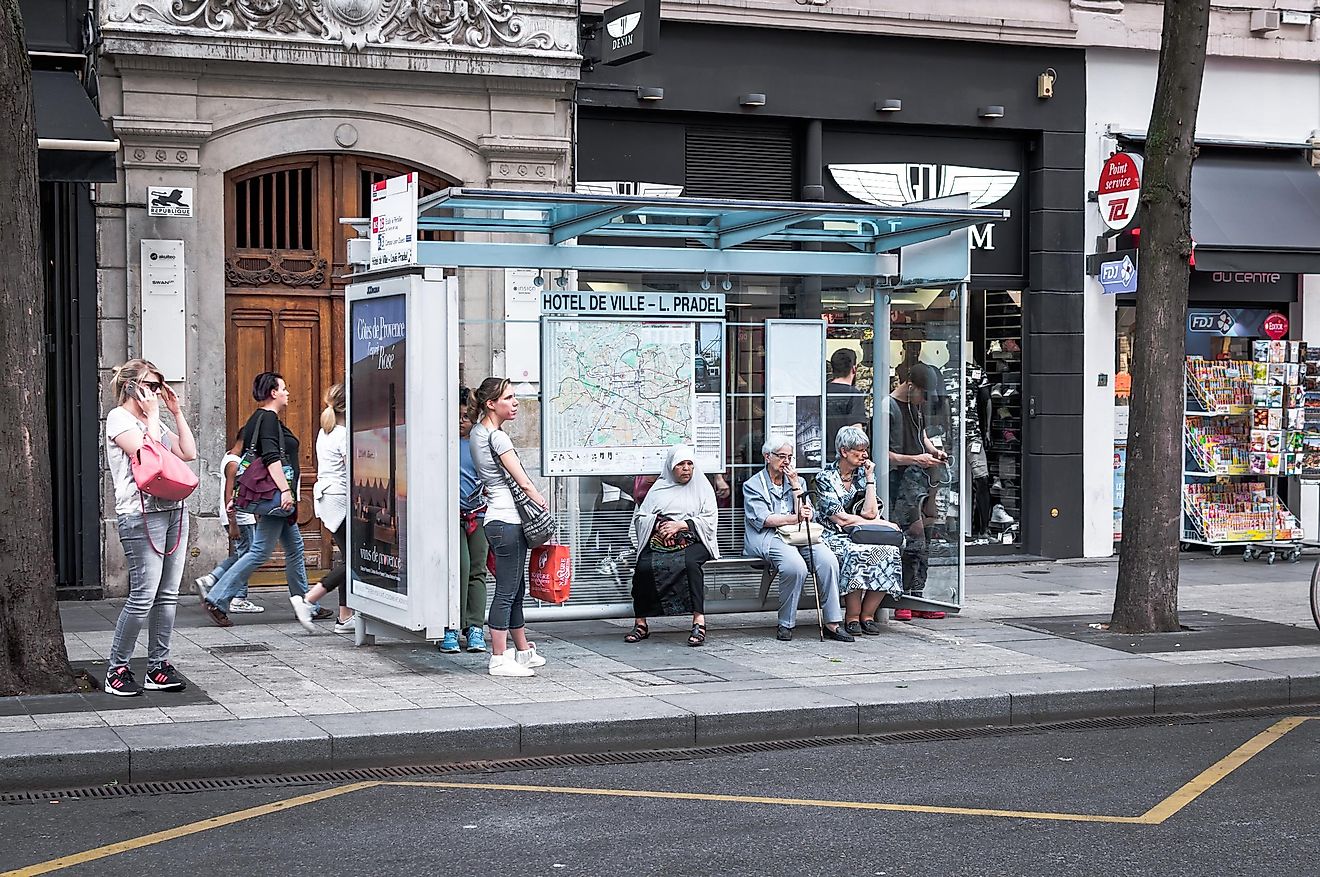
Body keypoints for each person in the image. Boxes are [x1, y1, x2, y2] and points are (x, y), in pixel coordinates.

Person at [103, 359, 198, 696]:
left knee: (168, 595)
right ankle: (117, 669)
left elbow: (188, 452)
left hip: (174, 511)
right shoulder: (119, 419)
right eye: (150, 386)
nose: (156, 393)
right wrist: (154, 417)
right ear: (131, 386)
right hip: (141, 515)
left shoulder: (152, 419)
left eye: (159, 386)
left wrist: (175, 412)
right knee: (143, 595)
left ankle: (158, 666)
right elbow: (149, 455)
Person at [201, 372, 313, 627]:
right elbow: (272, 458)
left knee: (295, 548)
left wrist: (242, 495)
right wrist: (286, 491)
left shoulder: (255, 420)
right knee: (259, 552)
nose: (287, 393)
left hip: (271, 499)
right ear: (273, 392)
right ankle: (217, 598)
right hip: (277, 499)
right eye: (284, 388)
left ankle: (307, 603)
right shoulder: (269, 419)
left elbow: (249, 462)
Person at [469, 377, 549, 677]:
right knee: (506, 590)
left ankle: (523, 650)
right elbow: (522, 479)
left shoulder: (479, 432)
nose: (515, 403)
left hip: (496, 517)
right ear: (491, 404)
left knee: (515, 587)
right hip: (508, 520)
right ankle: (499, 658)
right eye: (509, 398)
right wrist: (540, 499)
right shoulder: (498, 438)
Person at [743, 438, 853, 643]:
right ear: (768, 457)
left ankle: (832, 622)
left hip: (799, 533)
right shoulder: (753, 485)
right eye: (781, 456)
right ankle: (786, 623)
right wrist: (796, 517)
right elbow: (765, 519)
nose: (786, 461)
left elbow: (806, 513)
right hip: (768, 535)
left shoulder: (799, 482)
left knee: (828, 561)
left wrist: (795, 485)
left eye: (790, 457)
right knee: (795, 567)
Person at [626, 444, 720, 647]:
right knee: (643, 565)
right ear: (671, 467)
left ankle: (699, 621)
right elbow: (642, 518)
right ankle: (641, 622)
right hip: (662, 539)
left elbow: (710, 519)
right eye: (680, 464)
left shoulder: (702, 487)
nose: (686, 468)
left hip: (695, 539)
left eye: (689, 464)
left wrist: (681, 525)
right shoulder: (659, 489)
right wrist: (660, 526)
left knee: (689, 564)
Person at [815, 425, 903, 636]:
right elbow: (841, 519)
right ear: (844, 451)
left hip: (864, 532)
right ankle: (852, 615)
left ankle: (868, 614)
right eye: (859, 450)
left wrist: (870, 479)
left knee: (890, 552)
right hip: (832, 534)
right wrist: (884, 524)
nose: (864, 455)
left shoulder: (862, 476)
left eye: (866, 449)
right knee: (855, 553)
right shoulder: (825, 477)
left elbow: (871, 513)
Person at [888, 365, 948, 620]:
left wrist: (933, 451)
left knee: (923, 537)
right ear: (911, 386)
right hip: (899, 483)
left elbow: (921, 434)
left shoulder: (915, 407)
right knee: (913, 538)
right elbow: (885, 454)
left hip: (917, 482)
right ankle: (905, 596)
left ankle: (915, 595)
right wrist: (917, 458)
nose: (924, 400)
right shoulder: (887, 408)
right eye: (922, 394)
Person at [297, 383, 356, 634]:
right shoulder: (342, 434)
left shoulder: (326, 431)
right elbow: (352, 470)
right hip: (339, 498)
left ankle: (344, 617)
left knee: (347, 555)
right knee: (354, 559)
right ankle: (309, 599)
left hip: (327, 498)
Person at [440, 389, 489, 655]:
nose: (461, 421)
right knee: (458, 568)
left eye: (466, 416)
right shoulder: (444, 442)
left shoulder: (479, 443)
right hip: (450, 515)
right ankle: (451, 626)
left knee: (477, 570)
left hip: (478, 513)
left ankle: (475, 627)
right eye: (456, 416)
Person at [193, 432, 263, 614]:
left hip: (239, 518)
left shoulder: (229, 457)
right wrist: (233, 522)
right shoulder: (235, 463)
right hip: (241, 519)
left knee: (243, 556)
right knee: (248, 558)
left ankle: (212, 580)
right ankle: (238, 597)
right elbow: (229, 494)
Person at [825, 347, 868, 462]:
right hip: (843, 461)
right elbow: (856, 432)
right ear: (854, 369)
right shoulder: (854, 395)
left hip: (821, 457)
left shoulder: (822, 392)